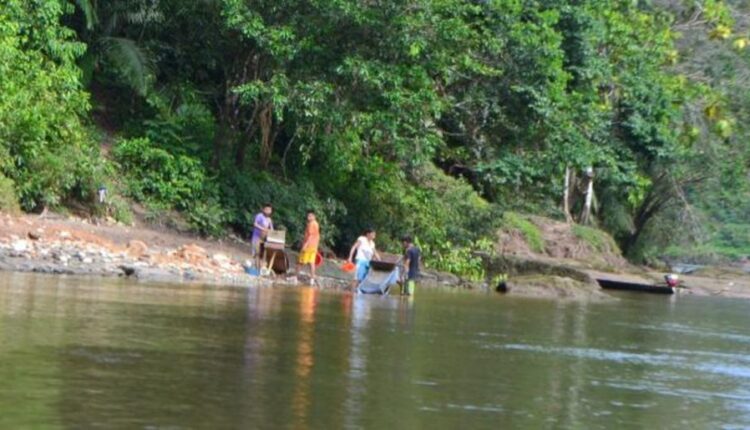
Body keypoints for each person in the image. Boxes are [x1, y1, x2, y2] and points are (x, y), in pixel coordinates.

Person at [296, 210, 320, 285]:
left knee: (300, 262)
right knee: (311, 263)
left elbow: (310, 235)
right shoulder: (316, 224)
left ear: (314, 216)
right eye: (308, 216)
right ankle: (312, 279)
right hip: (314, 246)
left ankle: (295, 277)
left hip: (309, 246)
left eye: (310, 216)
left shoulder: (311, 224)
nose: (308, 217)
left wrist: (305, 245)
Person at [251, 203, 274, 268]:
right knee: (255, 252)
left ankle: (259, 267)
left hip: (264, 239)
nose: (268, 211)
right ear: (263, 209)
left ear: (271, 211)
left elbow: (272, 229)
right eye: (266, 209)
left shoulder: (269, 219)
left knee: (262, 253)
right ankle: (254, 266)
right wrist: (263, 228)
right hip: (257, 237)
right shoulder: (259, 215)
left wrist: (270, 232)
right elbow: (255, 224)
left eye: (269, 210)